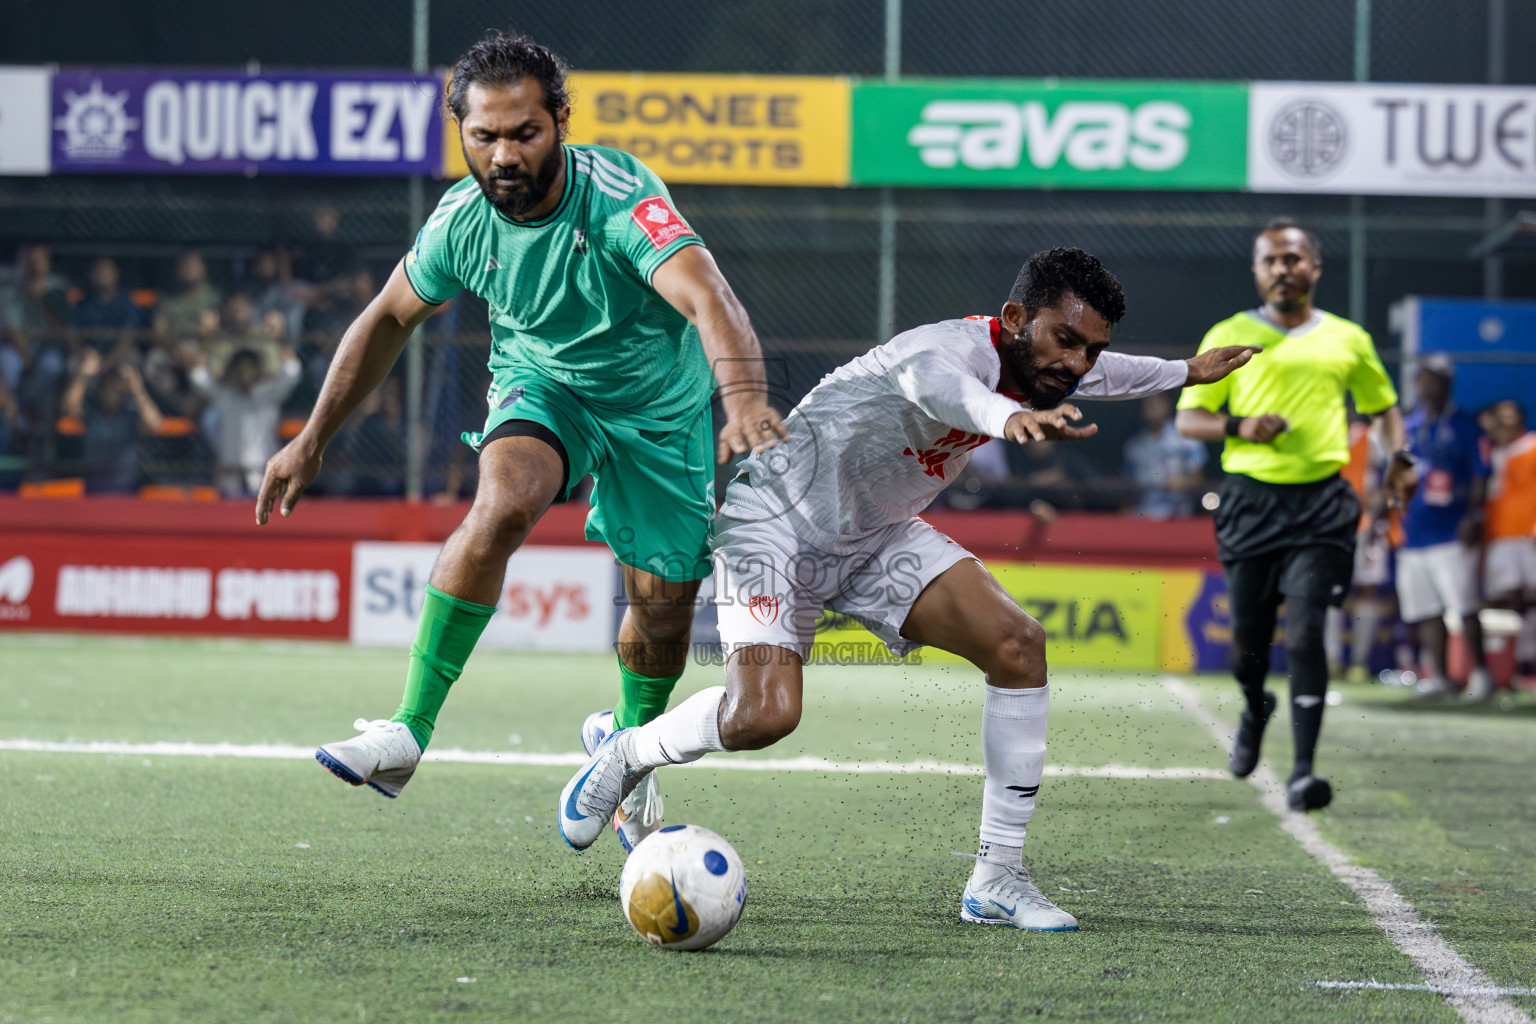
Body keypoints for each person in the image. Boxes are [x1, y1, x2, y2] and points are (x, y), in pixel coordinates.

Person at [559, 247, 1259, 931]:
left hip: (876, 537)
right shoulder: (942, 353)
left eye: (1090, 350)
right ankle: (625, 750)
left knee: (1018, 645)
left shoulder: (1043, 367)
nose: (1076, 364)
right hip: (774, 523)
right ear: (1015, 317)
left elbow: (1103, 377)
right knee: (763, 717)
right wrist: (1005, 420)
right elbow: (948, 395)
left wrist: (1187, 371)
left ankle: (996, 879)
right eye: (1066, 341)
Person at [258, 31, 783, 854]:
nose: (503, 154)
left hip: (660, 413)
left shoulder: (618, 198)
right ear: (461, 135)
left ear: (560, 122)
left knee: (662, 607)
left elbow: (707, 293)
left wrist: (743, 399)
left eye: (524, 133)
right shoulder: (463, 222)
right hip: (545, 390)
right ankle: (405, 733)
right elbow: (389, 318)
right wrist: (310, 438)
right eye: (484, 136)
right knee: (504, 501)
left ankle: (627, 760)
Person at [1175, 217, 1411, 813]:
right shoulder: (1228, 333)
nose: (1283, 268)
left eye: (1294, 258)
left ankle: (1304, 771)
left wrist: (1400, 457)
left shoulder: (1348, 339)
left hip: (1323, 504)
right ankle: (1256, 707)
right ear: (1258, 271)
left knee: (1307, 632)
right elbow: (1189, 418)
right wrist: (1240, 426)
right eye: (1271, 260)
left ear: (1315, 267)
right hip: (1251, 501)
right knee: (1248, 648)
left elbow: (1383, 409)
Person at [1395, 356, 1493, 701]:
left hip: (1452, 530)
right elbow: (1398, 475)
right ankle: (1439, 676)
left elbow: (1482, 475)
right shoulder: (1409, 426)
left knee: (1463, 605)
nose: (1425, 386)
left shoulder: (1466, 426)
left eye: (1433, 379)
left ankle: (1481, 674)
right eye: (1421, 379)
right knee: (1424, 609)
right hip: (1414, 531)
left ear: (1447, 383)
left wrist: (1474, 517)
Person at [191, 345, 301, 497]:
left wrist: (281, 341)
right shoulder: (224, 394)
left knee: (266, 518)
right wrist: (206, 341)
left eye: (249, 368)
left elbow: (292, 371)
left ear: (258, 369)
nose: (245, 373)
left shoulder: (268, 394)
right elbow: (198, 376)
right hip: (229, 475)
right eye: (240, 368)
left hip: (262, 474)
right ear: (232, 370)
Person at [1482, 399, 1536, 678]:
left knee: (1532, 595)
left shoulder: (1532, 446)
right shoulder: (1490, 452)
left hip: (1527, 533)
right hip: (1499, 535)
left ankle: (1529, 655)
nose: (1505, 421)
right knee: (1508, 596)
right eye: (1500, 416)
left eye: (1510, 416)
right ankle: (1514, 660)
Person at [61, 349, 165, 493]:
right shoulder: (93, 412)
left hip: (128, 493)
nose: (114, 388)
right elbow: (70, 408)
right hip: (93, 492)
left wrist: (137, 388)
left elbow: (155, 425)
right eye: (110, 383)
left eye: (119, 383)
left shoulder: (132, 413)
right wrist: (84, 376)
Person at [1123, 393, 1207, 518]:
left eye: (1157, 401)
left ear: (1168, 404)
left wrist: (1182, 482)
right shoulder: (1134, 445)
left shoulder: (1187, 438)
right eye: (1148, 402)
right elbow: (1127, 487)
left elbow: (1199, 479)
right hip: (1142, 517)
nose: (1152, 406)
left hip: (1179, 516)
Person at [154, 249, 221, 345]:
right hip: (172, 346)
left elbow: (212, 332)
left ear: (203, 267)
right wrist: (174, 350)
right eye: (184, 264)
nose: (188, 268)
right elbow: (159, 330)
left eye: (193, 264)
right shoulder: (166, 298)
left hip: (204, 346)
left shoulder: (213, 298)